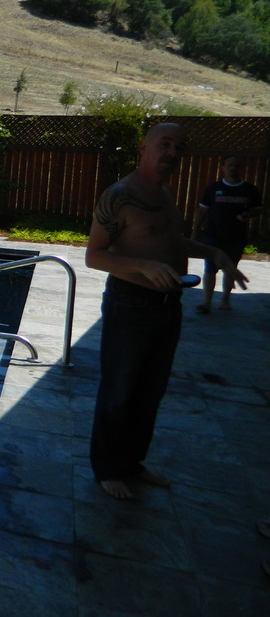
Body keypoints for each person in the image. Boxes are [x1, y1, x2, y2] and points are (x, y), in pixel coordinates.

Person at [85, 122, 247, 500]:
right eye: (165, 144)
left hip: (168, 304)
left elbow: (169, 240)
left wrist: (214, 253)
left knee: (150, 391)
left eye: (179, 147)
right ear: (144, 148)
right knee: (120, 389)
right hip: (130, 304)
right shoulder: (120, 195)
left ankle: (132, 462)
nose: (172, 153)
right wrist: (142, 266)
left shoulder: (164, 192)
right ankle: (107, 467)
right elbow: (94, 256)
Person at [191, 154, 263, 313]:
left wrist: (248, 214)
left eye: (236, 165)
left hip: (236, 237)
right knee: (209, 269)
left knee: (230, 269)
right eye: (229, 165)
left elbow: (258, 209)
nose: (233, 168)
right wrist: (195, 231)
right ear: (223, 168)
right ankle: (207, 302)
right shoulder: (213, 188)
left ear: (241, 168)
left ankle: (225, 299)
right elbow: (202, 210)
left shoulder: (249, 190)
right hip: (213, 235)